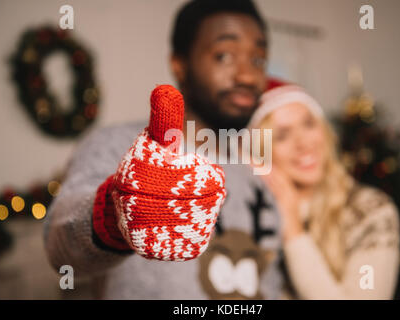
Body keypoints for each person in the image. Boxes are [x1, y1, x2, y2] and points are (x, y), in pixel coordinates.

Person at [44, 0, 284, 299]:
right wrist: (113, 214)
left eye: (258, 60)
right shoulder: (119, 145)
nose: (248, 76)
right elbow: (59, 246)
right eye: (224, 56)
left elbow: (269, 280)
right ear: (179, 64)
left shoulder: (259, 168)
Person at [248, 84, 400, 299]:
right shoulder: (249, 219)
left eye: (309, 124)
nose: (303, 143)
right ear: (258, 155)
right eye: (282, 135)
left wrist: (292, 228)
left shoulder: (371, 211)